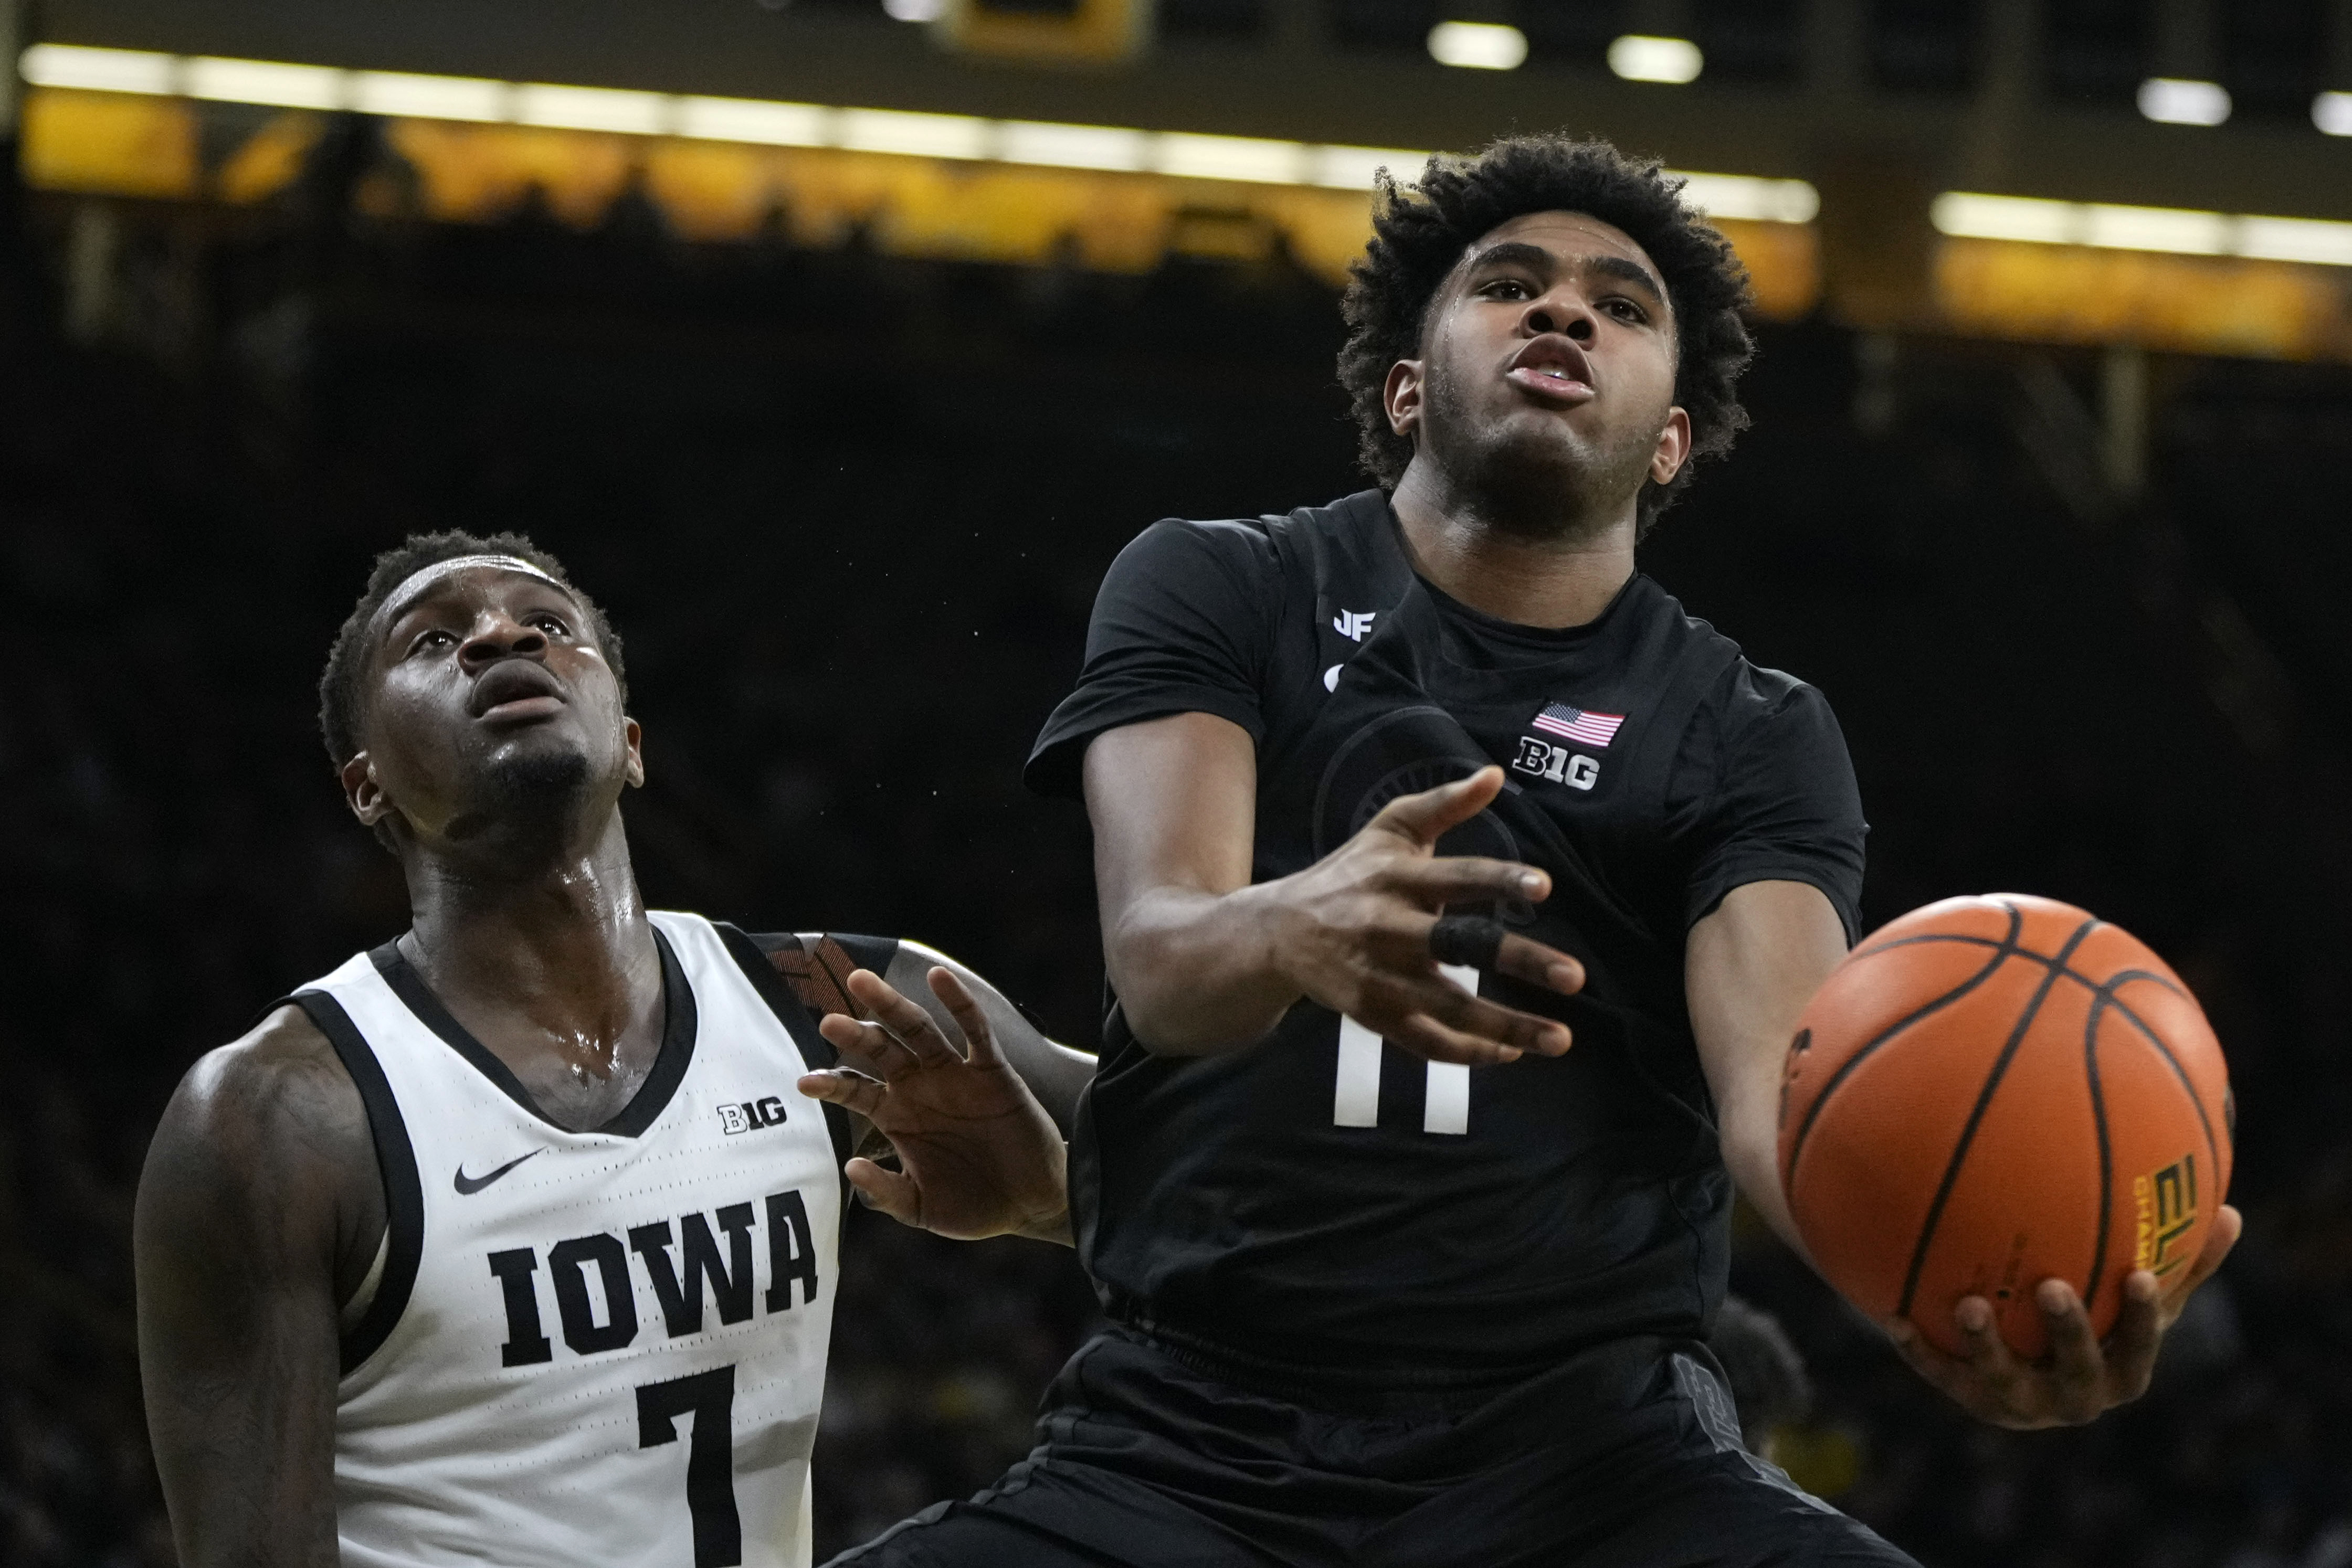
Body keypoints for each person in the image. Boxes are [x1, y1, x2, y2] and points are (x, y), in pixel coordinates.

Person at [829, 135, 2241, 1566]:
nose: (1563, 312)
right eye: (1509, 285)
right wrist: (1290, 925)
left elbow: (1786, 1104)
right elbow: (1167, 957)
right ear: (1405, 384)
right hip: (1187, 1430)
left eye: (1622, 308)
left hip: (1590, 1459)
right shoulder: (1223, 582)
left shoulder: (1748, 726)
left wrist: (1948, 1291)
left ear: (1673, 436)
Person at [133, 532, 1087, 1568]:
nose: (500, 635)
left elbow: (1229, 1194)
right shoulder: (280, 1114)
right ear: (365, 786)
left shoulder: (829, 997)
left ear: (632, 744)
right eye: (433, 640)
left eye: (547, 626)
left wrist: (1058, 1200)